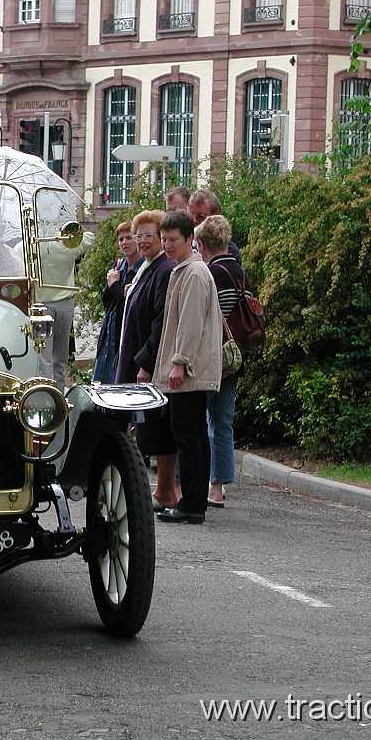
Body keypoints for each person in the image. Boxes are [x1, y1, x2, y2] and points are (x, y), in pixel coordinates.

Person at [153, 210, 223, 525]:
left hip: (190, 371)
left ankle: (192, 504)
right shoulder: (186, 270)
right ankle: (193, 502)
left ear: (189, 238)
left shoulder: (194, 273)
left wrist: (179, 362)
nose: (167, 246)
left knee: (188, 434)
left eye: (173, 240)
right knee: (192, 434)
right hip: (192, 368)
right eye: (164, 239)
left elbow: (190, 324)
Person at [116, 209, 179, 509]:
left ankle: (165, 491)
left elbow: (160, 321)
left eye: (148, 235)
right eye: (138, 235)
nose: (142, 241)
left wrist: (145, 362)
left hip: (148, 362)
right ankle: (159, 491)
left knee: (157, 430)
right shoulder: (147, 268)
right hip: (134, 356)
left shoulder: (163, 270)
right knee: (146, 430)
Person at [196, 215, 243, 508]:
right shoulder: (239, 271)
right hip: (233, 357)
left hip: (211, 356)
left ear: (201, 244)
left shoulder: (211, 274)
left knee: (199, 422)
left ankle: (198, 481)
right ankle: (218, 487)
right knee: (223, 423)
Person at [36, 225, 96, 390]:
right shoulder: (67, 241)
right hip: (65, 302)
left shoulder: (29, 245)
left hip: (41, 304)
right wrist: (75, 229)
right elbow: (89, 237)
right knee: (60, 359)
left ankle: (48, 395)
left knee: (44, 358)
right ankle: (60, 395)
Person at [93, 221, 142, 384]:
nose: (124, 243)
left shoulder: (141, 271)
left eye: (129, 238)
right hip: (108, 339)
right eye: (121, 239)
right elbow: (107, 303)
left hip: (124, 342)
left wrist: (114, 285)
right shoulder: (119, 266)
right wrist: (111, 285)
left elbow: (129, 307)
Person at [188, 189, 241, 264]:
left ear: (215, 217)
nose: (194, 221)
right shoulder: (184, 245)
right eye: (190, 216)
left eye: (200, 217)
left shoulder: (230, 252)